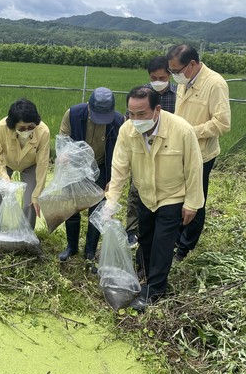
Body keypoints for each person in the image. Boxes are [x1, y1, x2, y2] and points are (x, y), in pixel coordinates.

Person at [104, 86, 203, 311]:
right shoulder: (127, 130)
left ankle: (156, 290)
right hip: (145, 194)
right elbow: (119, 168)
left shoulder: (182, 130)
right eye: (131, 114)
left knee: (162, 243)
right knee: (146, 238)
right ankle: (146, 276)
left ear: (157, 110)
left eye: (142, 114)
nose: (136, 119)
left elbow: (194, 169)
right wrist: (111, 202)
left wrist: (192, 204)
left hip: (172, 195)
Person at [166, 44, 231, 262]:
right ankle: (175, 239)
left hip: (201, 154)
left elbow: (222, 123)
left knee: (195, 199)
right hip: (179, 151)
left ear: (192, 64)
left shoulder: (215, 84)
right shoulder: (186, 82)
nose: (175, 76)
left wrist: (191, 132)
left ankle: (185, 248)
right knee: (178, 197)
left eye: (177, 71)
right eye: (171, 71)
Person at [57, 87, 124, 270]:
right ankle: (71, 247)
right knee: (72, 206)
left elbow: (121, 152)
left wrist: (113, 179)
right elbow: (63, 139)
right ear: (89, 106)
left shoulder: (118, 121)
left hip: (102, 167)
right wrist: (64, 154)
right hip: (75, 166)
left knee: (98, 209)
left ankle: (90, 252)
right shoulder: (73, 114)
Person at [0, 98, 50, 255]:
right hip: (6, 163)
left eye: (30, 127)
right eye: (22, 128)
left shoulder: (43, 131)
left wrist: (37, 194)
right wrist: (4, 176)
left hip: (30, 165)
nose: (26, 130)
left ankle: (27, 238)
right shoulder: (1, 128)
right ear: (13, 126)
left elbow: (43, 164)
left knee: (30, 200)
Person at [125, 56, 178, 249]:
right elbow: (129, 122)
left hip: (167, 151)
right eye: (154, 77)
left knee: (165, 191)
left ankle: (162, 231)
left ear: (169, 75)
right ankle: (132, 231)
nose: (158, 81)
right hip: (142, 150)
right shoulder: (141, 95)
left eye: (162, 77)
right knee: (136, 190)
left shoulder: (178, 95)